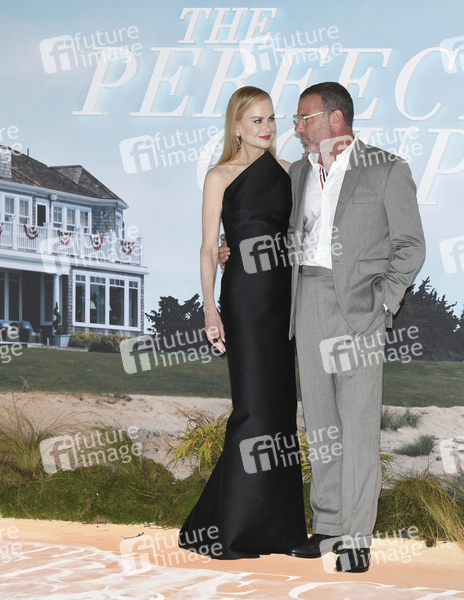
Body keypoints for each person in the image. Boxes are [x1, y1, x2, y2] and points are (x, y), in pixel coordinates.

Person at [220, 82, 425, 572]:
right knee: (322, 425)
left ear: (336, 119)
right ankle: (329, 526)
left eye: (303, 118)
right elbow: (270, 230)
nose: (295, 128)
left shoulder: (387, 169)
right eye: (294, 120)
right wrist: (233, 253)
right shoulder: (296, 173)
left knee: (357, 428)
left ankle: (357, 539)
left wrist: (384, 302)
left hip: (360, 308)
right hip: (306, 300)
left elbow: (410, 246)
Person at [179, 86, 307, 560]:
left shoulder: (291, 172)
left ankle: (284, 533)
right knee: (252, 410)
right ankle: (230, 532)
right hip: (244, 300)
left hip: (284, 298)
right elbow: (208, 247)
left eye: (271, 118)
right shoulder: (219, 176)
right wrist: (209, 309)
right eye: (256, 120)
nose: (266, 127)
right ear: (236, 126)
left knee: (280, 414)